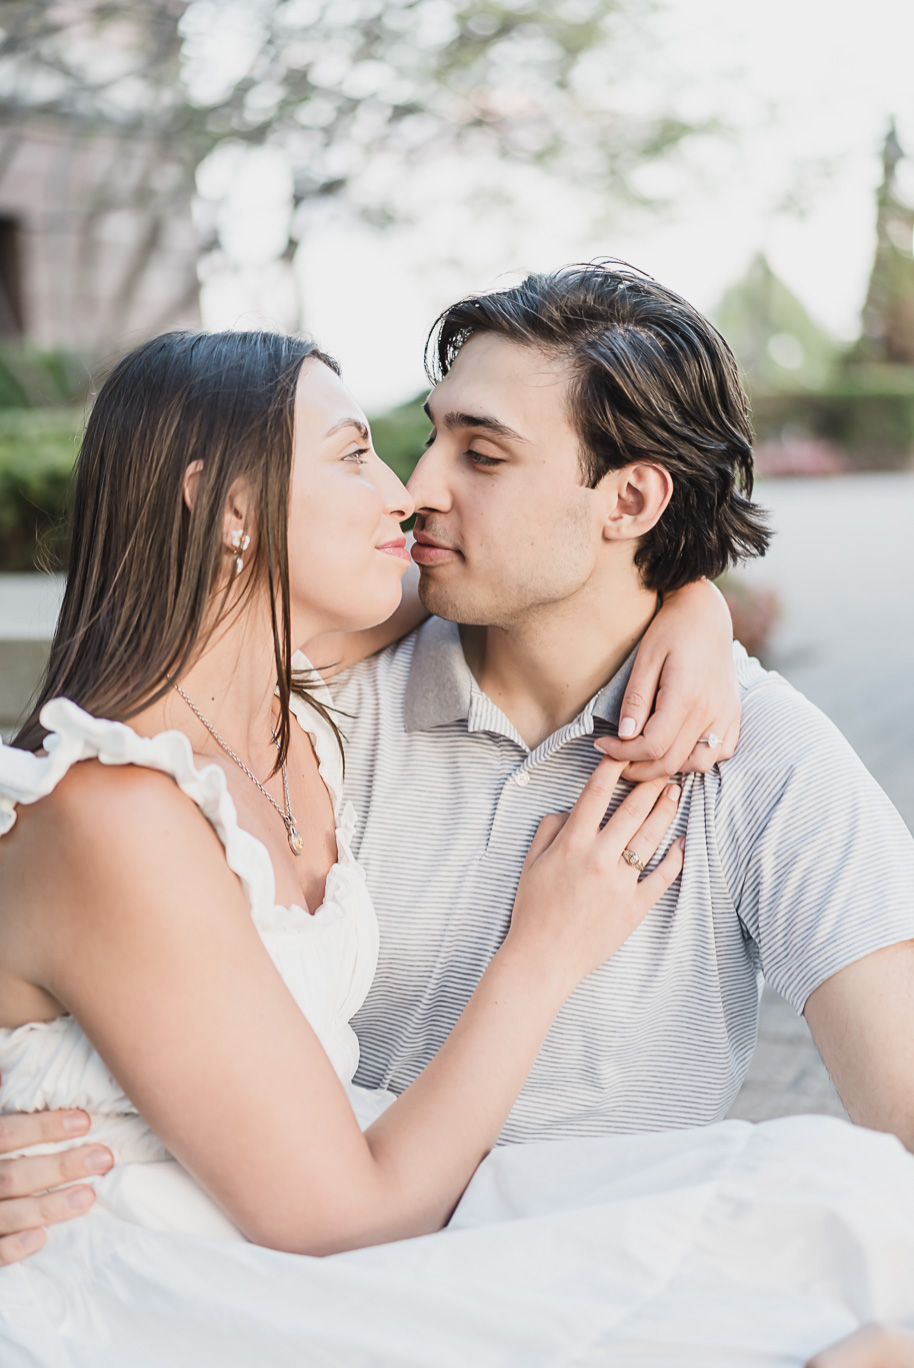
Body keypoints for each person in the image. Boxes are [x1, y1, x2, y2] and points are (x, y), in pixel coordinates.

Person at [1, 280, 913, 1366]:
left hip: (586, 1268)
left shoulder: (759, 755)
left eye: (480, 456)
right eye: (406, 442)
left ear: (628, 504)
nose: (415, 491)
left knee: (842, 1219)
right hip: (313, 1271)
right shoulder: (323, 701)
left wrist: (693, 602)